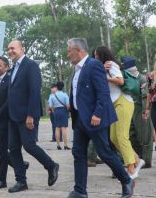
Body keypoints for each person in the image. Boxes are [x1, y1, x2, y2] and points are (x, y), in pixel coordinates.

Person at [66, 38, 134, 198]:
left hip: (95, 118)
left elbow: (103, 92)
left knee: (105, 153)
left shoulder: (93, 65)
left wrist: (97, 113)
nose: (68, 54)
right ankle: (80, 191)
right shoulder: (77, 69)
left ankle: (126, 181)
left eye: (69, 50)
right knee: (78, 153)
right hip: (80, 119)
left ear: (78, 50)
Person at [6, 39, 59, 193]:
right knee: (14, 149)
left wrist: (31, 116)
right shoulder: (14, 68)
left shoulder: (30, 66)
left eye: (13, 48)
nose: (10, 51)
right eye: (8, 49)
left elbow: (34, 92)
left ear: (22, 49)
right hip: (12, 116)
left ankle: (51, 165)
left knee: (29, 145)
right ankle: (21, 181)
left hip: (26, 116)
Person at [95, 46, 144, 178]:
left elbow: (120, 80)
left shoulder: (111, 65)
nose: (95, 58)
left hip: (123, 102)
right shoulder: (103, 68)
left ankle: (131, 169)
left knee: (122, 136)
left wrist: (105, 78)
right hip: (115, 104)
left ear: (102, 55)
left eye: (97, 56)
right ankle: (136, 160)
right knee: (113, 138)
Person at [0, 56, 30, 190]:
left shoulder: (10, 80)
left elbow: (8, 102)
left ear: (6, 67)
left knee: (2, 152)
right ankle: (20, 165)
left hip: (4, 121)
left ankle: (1, 180)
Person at [48, 81, 70, 150]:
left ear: (56, 87)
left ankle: (58, 145)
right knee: (64, 128)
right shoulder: (65, 95)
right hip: (63, 111)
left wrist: (53, 111)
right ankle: (65, 145)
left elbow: (50, 106)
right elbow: (68, 105)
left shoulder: (52, 95)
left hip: (56, 111)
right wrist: (68, 110)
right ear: (63, 87)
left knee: (57, 128)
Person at [145, 59, 156, 152]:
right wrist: (147, 107)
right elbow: (149, 93)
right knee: (154, 124)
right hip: (154, 103)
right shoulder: (150, 76)